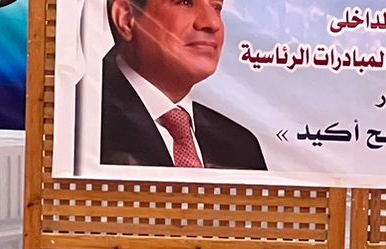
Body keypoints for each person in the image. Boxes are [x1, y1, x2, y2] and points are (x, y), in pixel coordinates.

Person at [100, 0, 266, 170]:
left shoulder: (242, 146)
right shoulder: (90, 125)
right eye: (186, 3)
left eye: (217, 8)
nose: (212, 23)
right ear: (127, 18)